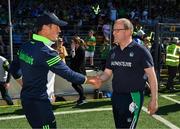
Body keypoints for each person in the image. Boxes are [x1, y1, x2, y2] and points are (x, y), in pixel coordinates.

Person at [10, 12, 100, 129]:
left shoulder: (25, 46)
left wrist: (24, 84)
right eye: (56, 26)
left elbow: (13, 68)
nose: (60, 30)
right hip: (40, 104)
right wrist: (90, 80)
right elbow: (68, 74)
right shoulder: (47, 52)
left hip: (27, 100)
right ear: (45, 28)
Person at [96, 18, 158, 129]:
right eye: (113, 30)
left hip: (133, 97)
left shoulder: (141, 51)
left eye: (117, 30)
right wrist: (99, 79)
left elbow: (152, 77)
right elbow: (107, 73)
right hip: (116, 96)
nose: (113, 33)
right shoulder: (113, 52)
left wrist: (154, 100)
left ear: (128, 31)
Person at [70, 36, 86, 105]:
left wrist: (73, 50)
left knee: (75, 84)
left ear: (75, 42)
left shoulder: (81, 49)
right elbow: (72, 58)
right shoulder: (76, 49)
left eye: (72, 42)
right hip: (75, 69)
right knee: (76, 84)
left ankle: (82, 98)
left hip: (79, 70)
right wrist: (73, 50)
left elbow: (75, 58)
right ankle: (82, 97)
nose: (71, 44)